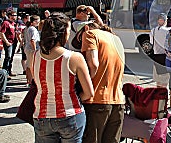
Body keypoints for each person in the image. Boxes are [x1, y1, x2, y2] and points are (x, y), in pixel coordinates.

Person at [32, 12, 94, 143]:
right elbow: (89, 93)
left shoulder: (35, 56)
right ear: (62, 33)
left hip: (42, 114)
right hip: (70, 113)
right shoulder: (74, 57)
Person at [78, 21, 125, 143]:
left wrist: (83, 87)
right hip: (118, 101)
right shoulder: (116, 39)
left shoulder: (89, 34)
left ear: (86, 27)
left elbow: (93, 65)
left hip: (97, 100)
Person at [149, 13, 171, 88]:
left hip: (156, 57)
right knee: (164, 82)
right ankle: (163, 97)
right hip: (165, 57)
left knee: (158, 82)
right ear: (165, 21)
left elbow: (151, 43)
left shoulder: (153, 31)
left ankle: (157, 97)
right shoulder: (168, 30)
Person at [0, 10, 17, 76]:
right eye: (13, 15)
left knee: (11, 57)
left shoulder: (14, 24)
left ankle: (9, 71)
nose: (15, 17)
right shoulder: (6, 23)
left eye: (15, 15)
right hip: (9, 42)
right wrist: (6, 41)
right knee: (8, 57)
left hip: (14, 42)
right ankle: (5, 72)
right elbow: (1, 33)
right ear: (9, 16)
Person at [24, 15, 40, 84]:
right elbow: (32, 40)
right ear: (34, 21)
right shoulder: (33, 29)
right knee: (31, 66)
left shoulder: (29, 28)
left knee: (28, 65)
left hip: (28, 48)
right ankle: (31, 81)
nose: (38, 23)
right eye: (38, 21)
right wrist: (35, 50)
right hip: (31, 49)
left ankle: (29, 80)